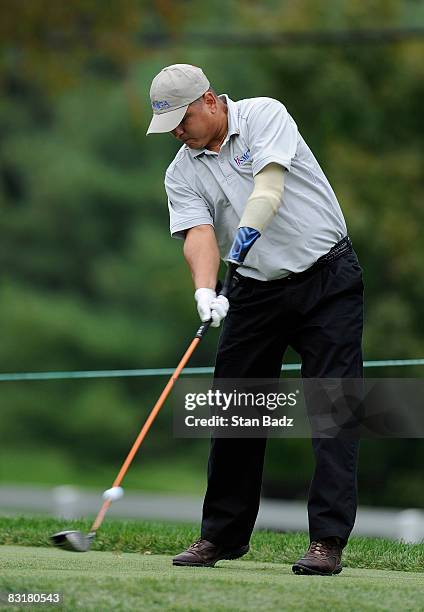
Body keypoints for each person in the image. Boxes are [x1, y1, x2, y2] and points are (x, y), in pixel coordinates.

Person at [146, 64, 364, 576]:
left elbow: (269, 187)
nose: (178, 132)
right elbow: (198, 234)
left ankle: (327, 541)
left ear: (209, 100)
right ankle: (222, 535)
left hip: (325, 276)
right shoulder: (181, 170)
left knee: (334, 405)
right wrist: (205, 291)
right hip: (254, 289)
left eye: (182, 119)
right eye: (170, 126)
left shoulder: (264, 114)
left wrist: (242, 237)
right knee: (235, 408)